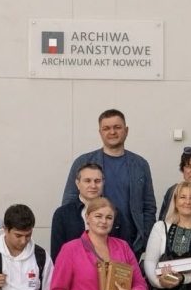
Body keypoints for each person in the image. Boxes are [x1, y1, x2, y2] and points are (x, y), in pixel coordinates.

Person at [61, 109, 156, 257]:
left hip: (130, 244)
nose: (112, 132)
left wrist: (144, 239)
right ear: (100, 132)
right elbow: (69, 203)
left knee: (124, 274)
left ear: (126, 131)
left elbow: (149, 206)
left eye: (117, 127)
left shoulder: (140, 165)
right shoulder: (83, 162)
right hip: (89, 243)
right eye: (106, 128)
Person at [51, 162, 105, 260]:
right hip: (72, 269)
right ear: (77, 183)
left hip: (107, 268)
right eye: (87, 181)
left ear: (103, 183)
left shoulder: (114, 213)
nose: (93, 185)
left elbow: (122, 252)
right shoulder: (62, 214)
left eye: (97, 181)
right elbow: (57, 256)